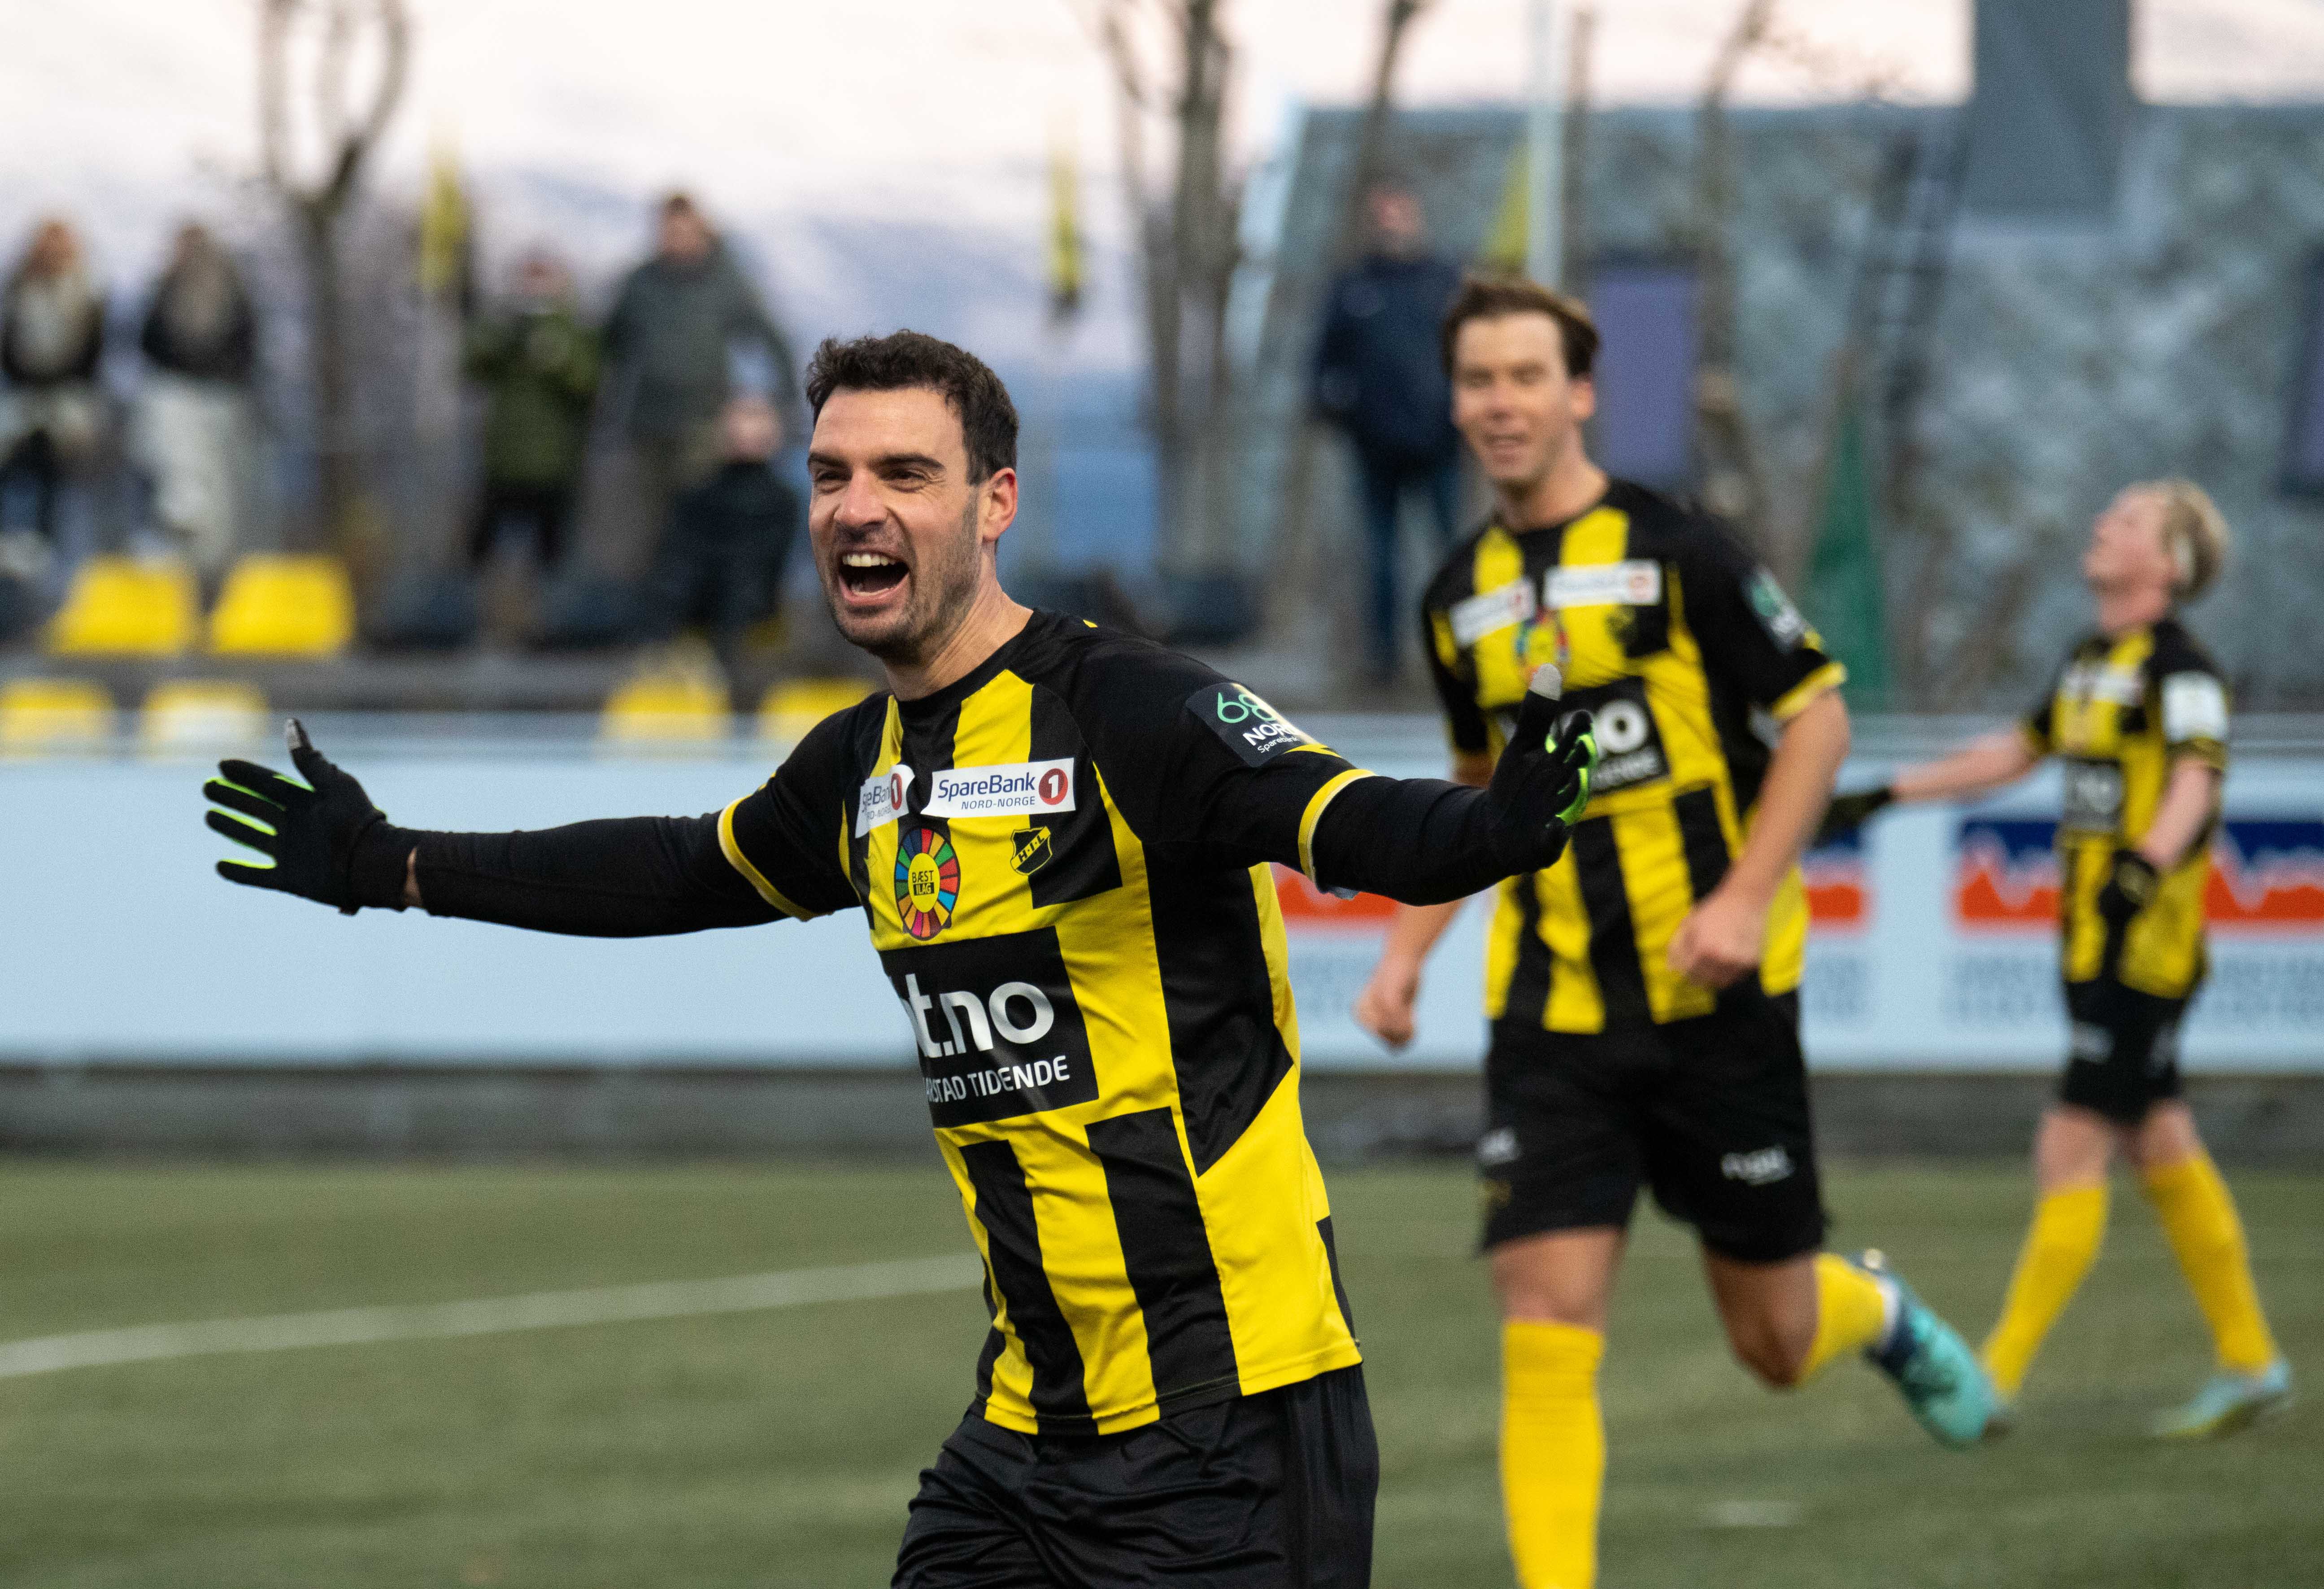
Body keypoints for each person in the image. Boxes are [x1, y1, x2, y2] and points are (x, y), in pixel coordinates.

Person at [203, 330, 1601, 1589]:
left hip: (1231, 1423)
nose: (854, 506)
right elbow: (676, 869)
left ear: (995, 503)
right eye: (830, 475)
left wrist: (1492, 825)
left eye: (905, 474)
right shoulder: (858, 767)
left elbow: (1344, 815)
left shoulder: (1130, 710)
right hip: (1025, 1437)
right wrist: (391, 863)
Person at [1350, 276, 1996, 1589]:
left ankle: (1875, 1314)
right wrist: (1406, 954)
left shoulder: (1682, 550)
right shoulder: (1455, 594)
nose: (1499, 402)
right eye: (1477, 380)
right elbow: (1479, 790)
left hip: (1718, 1003)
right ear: (1456, 402)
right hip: (1552, 1012)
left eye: (1526, 376)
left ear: (1580, 392)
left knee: (1773, 1339)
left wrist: (1744, 895)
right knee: (1544, 1311)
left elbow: (1816, 719)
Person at [1822, 480, 2291, 1441]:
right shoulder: (2089, 659)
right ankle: (2251, 1361)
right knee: (2158, 1141)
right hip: (2088, 943)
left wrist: (2142, 864)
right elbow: (2014, 750)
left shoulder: (2180, 669)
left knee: (2068, 1144)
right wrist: (1887, 794)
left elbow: (2196, 777)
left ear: (2169, 564)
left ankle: (1988, 1378)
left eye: (2126, 521)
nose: (2101, 526)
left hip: (2140, 950)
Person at [1311, 181, 1463, 686]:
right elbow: (1323, 362)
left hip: (1439, 444)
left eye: (1400, 213)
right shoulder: (1353, 286)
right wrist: (1340, 412)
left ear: (1416, 217)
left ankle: (1460, 654)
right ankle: (1383, 661)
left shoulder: (1443, 282)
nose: (1391, 224)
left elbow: (1469, 354)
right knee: (1380, 560)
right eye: (1383, 215)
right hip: (1375, 447)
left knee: (1451, 554)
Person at [595, 193, 793, 575]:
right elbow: (608, 342)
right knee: (644, 525)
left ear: (701, 231)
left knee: (696, 521)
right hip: (645, 424)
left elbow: (771, 338)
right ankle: (648, 599)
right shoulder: (641, 282)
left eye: (684, 231)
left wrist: (779, 402)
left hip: (703, 425)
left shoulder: (725, 281)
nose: (676, 240)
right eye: (669, 231)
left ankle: (694, 599)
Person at [641, 391, 796, 687]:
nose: (748, 430)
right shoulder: (699, 499)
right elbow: (676, 572)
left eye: (756, 418)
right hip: (710, 632)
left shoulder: (783, 503)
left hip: (749, 633)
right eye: (742, 418)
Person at [462, 248, 601, 577]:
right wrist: (501, 340)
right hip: (502, 460)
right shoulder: (505, 325)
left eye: (543, 277)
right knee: (479, 554)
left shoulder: (575, 329)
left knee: (551, 558)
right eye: (529, 277)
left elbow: (589, 385)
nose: (535, 287)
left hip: (556, 463)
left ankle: (550, 607)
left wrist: (559, 360)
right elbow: (473, 369)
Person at [134, 222, 260, 584]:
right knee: (174, 463)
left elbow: (245, 342)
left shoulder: (232, 288)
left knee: (217, 483)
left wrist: (214, 371)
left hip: (220, 397)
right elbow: (148, 341)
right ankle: (177, 534)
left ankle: (213, 568)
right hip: (175, 392)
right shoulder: (163, 288)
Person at [0, 218, 107, 569]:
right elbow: (10, 347)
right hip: (23, 393)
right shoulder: (19, 290)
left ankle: (58, 550)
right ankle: (15, 539)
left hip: (68, 396)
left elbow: (91, 353)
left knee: (62, 463)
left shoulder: (86, 293)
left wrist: (60, 383)